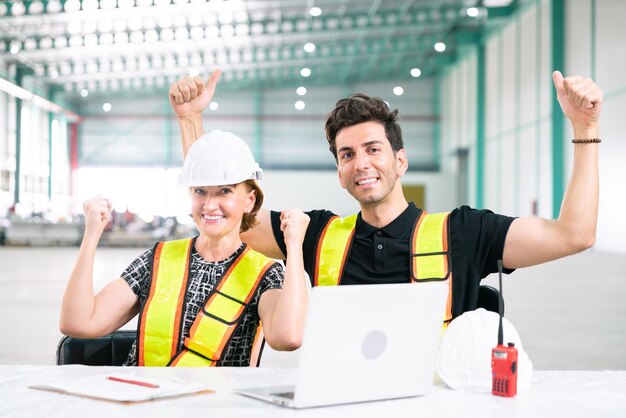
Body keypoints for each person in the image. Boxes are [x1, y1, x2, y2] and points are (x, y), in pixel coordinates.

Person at [169, 70, 602, 324]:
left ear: (401, 161)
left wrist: (585, 130)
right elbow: (221, 213)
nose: (361, 163)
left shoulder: (465, 232)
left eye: (374, 149)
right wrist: (191, 121)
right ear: (339, 174)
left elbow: (574, 235)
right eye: (347, 155)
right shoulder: (316, 234)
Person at [60, 130, 310, 366]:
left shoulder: (265, 274)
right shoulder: (157, 260)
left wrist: (294, 245)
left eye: (225, 191)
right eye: (200, 191)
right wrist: (92, 234)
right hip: (141, 404)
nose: (210, 205)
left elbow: (287, 337)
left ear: (250, 200)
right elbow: (78, 323)